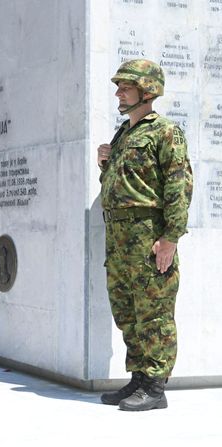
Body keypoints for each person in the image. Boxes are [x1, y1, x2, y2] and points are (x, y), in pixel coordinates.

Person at [97, 59, 193, 411]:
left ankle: (155, 386)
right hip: (119, 236)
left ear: (147, 91)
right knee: (126, 310)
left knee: (154, 311)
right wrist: (105, 163)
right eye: (119, 87)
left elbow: (179, 187)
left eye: (126, 86)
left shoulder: (165, 131)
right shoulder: (124, 133)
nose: (119, 93)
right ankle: (139, 377)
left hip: (147, 234)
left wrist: (170, 239)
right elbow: (122, 186)